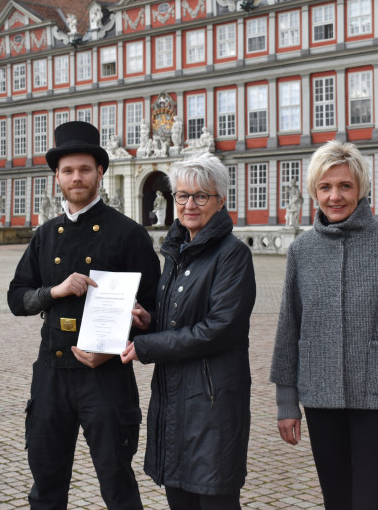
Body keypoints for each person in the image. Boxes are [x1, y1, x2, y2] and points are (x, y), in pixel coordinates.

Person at [270, 140, 378, 510]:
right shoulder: (301, 250)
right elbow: (288, 328)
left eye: (344, 185)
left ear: (360, 188)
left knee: (370, 500)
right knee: (336, 499)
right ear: (314, 191)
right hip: (319, 395)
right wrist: (286, 401)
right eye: (325, 187)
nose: (335, 196)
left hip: (377, 397)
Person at [7, 120, 160, 509]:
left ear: (100, 173)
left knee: (117, 485)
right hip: (51, 374)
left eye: (85, 169)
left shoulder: (128, 234)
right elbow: (15, 298)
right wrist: (54, 291)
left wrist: (139, 326)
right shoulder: (44, 235)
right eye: (68, 171)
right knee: (46, 486)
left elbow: (158, 314)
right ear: (56, 176)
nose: (77, 178)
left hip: (106, 378)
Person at [121, 152, 256, 510]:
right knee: (180, 498)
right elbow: (180, 319)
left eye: (201, 196)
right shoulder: (177, 251)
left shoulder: (233, 255)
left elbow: (218, 329)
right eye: (182, 195)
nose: (189, 204)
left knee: (214, 498)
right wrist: (150, 320)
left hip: (212, 402)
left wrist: (148, 345)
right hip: (174, 398)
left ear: (220, 201)